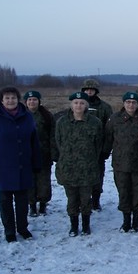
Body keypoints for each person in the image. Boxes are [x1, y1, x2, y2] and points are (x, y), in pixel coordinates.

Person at [0, 87, 41, 242]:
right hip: (3, 166)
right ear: (1, 100)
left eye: (13, 98)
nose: (10, 101)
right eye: (7, 98)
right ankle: (9, 231)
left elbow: (34, 142)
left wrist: (36, 162)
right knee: (5, 200)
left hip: (23, 166)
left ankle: (23, 228)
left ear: (18, 99)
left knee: (22, 200)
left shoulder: (27, 116)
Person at [55, 91, 104, 236]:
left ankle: (86, 225)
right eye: (75, 103)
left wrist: (89, 159)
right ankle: (74, 225)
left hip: (87, 168)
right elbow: (58, 142)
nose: (78, 106)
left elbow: (98, 145)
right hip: (68, 168)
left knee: (86, 199)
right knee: (72, 199)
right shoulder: (62, 122)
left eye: (82, 103)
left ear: (86, 105)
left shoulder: (95, 123)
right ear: (71, 105)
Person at [103, 92, 138, 233]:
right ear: (123, 103)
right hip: (121, 163)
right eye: (128, 102)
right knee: (123, 192)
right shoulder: (115, 119)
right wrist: (104, 154)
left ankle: (136, 220)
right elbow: (108, 138)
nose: (131, 105)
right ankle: (126, 220)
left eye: (134, 102)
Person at [81, 78, 113, 211]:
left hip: (98, 149)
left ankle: (96, 200)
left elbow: (109, 130)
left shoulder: (105, 107)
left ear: (96, 91)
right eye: (87, 90)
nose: (89, 92)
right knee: (81, 176)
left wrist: (106, 149)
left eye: (92, 90)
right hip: (80, 149)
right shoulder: (78, 105)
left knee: (98, 175)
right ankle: (83, 200)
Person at [23, 90, 56, 217]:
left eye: (34, 100)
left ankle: (43, 204)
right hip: (26, 155)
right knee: (29, 181)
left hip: (44, 154)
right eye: (29, 100)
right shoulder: (21, 115)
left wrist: (53, 152)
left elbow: (53, 135)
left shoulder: (46, 116)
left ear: (39, 101)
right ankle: (31, 205)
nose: (32, 102)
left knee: (44, 181)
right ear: (26, 102)